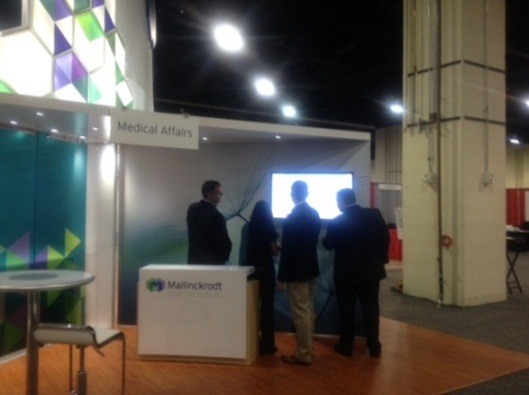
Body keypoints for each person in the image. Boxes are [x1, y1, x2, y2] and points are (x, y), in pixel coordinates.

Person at [322, 188, 389, 358]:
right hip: (371, 273)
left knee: (347, 311)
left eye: (337, 201)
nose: (336, 204)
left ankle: (347, 346)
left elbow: (328, 244)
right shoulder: (374, 215)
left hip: (346, 275)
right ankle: (374, 346)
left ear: (342, 201)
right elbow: (385, 238)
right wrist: (382, 260)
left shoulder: (337, 222)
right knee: (371, 309)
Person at [277, 180, 321, 365]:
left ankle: (303, 354)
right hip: (311, 269)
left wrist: (281, 277)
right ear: (307, 193)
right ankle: (307, 348)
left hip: (296, 272)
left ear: (293, 194)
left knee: (300, 314)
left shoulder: (292, 218)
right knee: (308, 311)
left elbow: (288, 251)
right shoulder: (314, 214)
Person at [244, 200, 280, 355]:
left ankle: (250, 342)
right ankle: (267, 345)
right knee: (267, 308)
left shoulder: (248, 227)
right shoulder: (270, 230)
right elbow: (274, 252)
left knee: (250, 307)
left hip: (251, 270)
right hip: (267, 269)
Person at [186, 180, 232, 264]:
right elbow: (224, 242)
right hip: (213, 263)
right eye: (219, 193)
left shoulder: (192, 209)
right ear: (209, 194)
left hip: (194, 260)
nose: (221, 196)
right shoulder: (216, 215)